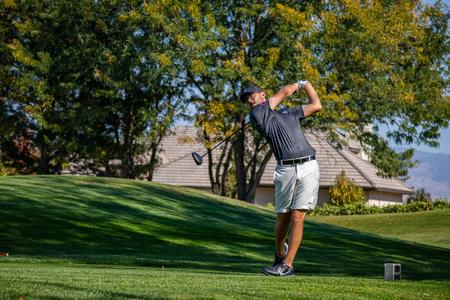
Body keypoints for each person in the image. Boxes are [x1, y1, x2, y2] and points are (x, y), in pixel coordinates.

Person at [240, 80, 322, 276]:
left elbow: (317, 105)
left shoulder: (289, 113)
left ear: (263, 94)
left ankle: (287, 265)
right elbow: (285, 91)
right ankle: (279, 254)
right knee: (283, 218)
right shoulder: (257, 114)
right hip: (285, 169)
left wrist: (309, 85)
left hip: (309, 165)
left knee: (298, 216)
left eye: (253, 93)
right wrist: (300, 83)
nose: (250, 97)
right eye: (246, 98)